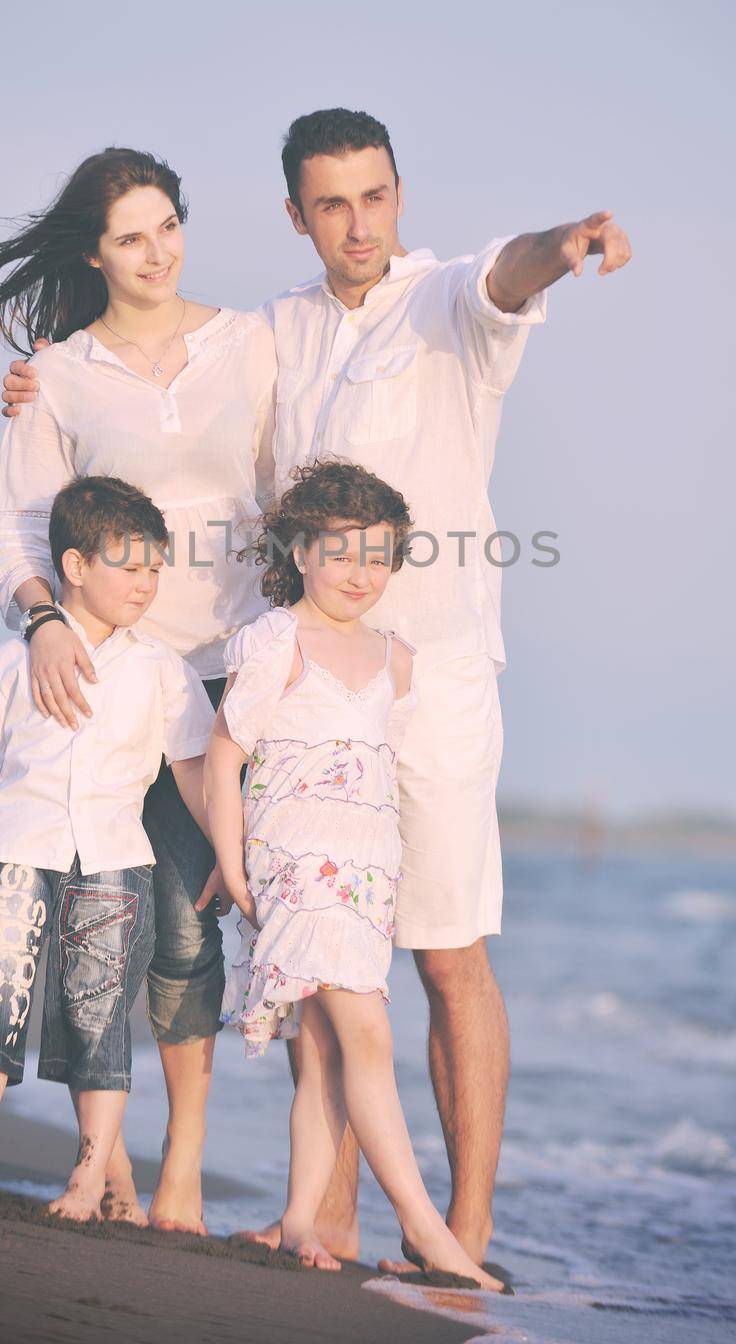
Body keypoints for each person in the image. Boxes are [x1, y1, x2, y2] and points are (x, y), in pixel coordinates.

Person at [2, 111, 633, 1267]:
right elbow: (156, 389)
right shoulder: (273, 330)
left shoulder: (446, 300)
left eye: (375, 197)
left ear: (400, 194)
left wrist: (569, 238)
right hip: (295, 679)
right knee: (318, 945)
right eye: (332, 204)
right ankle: (328, 1215)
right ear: (296, 214)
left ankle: (465, 1230)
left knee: (445, 953)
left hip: (427, 677)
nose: (358, 224)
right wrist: (38, 379)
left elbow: (508, 272)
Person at [0, 146, 276, 1232]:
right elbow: (18, 527)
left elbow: (289, 490)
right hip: (91, 678)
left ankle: (176, 1162)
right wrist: (41, 616)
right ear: (94, 251)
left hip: (214, 683)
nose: (155, 251)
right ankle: (106, 1160)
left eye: (167, 225)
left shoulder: (253, 346)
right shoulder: (60, 372)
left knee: (180, 931)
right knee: (94, 923)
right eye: (129, 235)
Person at [205, 459, 503, 1291]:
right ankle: (426, 1227)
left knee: (332, 1046)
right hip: (296, 864)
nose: (359, 575)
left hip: (367, 873)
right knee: (369, 1035)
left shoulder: (395, 657)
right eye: (340, 555)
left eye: (377, 558)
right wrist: (231, 866)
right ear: (300, 550)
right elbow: (225, 753)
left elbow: (380, 771)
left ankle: (303, 1216)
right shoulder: (270, 642)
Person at [0, 476, 216, 1218]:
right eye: (128, 566)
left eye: (154, 569)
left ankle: (87, 1179)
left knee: (97, 1017)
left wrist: (227, 858)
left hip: (113, 860)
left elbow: (195, 778)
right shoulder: (13, 662)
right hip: (16, 847)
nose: (146, 584)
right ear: (75, 566)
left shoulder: (162, 671)